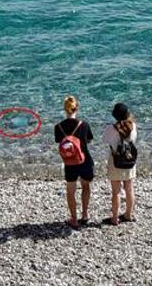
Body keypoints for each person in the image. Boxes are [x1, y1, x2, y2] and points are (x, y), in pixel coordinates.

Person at [54, 95, 94, 229]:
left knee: (70, 190)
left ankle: (74, 219)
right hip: (85, 160)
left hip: (70, 163)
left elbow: (61, 143)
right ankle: (85, 215)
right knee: (85, 187)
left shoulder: (58, 127)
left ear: (64, 109)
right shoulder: (84, 125)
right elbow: (88, 140)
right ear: (77, 108)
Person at [102, 103, 137, 226]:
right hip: (129, 159)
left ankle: (115, 218)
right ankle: (128, 214)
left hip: (116, 161)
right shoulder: (133, 126)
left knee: (116, 191)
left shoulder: (110, 129)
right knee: (129, 188)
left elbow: (104, 140)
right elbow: (133, 140)